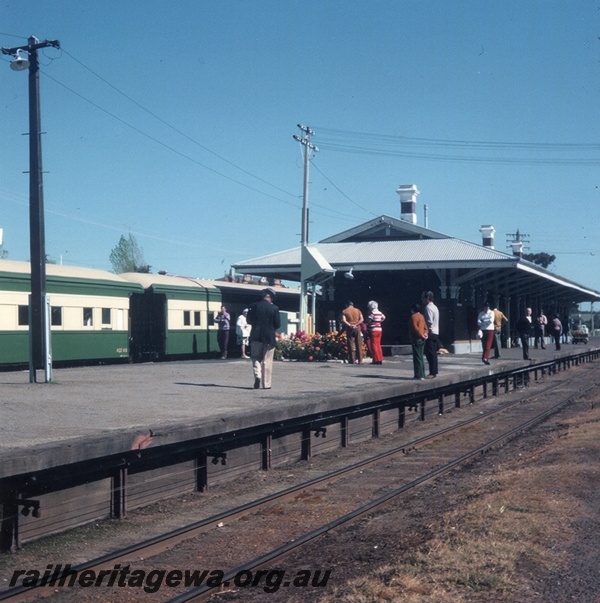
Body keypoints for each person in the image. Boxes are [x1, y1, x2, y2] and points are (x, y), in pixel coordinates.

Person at [247, 289, 280, 389]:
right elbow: (277, 324)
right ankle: (266, 384)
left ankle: (257, 376)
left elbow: (249, 321)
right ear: (270, 297)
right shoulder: (274, 308)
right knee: (267, 361)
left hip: (255, 336)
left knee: (255, 357)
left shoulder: (253, 306)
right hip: (269, 338)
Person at [421, 291, 440, 378]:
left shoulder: (428, 308)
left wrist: (425, 329)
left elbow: (429, 321)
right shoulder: (435, 307)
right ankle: (434, 371)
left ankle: (432, 372)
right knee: (433, 353)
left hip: (431, 332)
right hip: (436, 332)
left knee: (430, 353)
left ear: (427, 298)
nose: (422, 299)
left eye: (423, 297)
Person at [408, 304, 428, 379]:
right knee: (421, 357)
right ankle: (422, 374)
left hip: (416, 339)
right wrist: (425, 333)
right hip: (422, 339)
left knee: (417, 357)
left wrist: (420, 334)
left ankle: (418, 375)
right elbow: (425, 327)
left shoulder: (413, 317)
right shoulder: (422, 316)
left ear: (413, 309)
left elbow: (415, 328)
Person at [366, 300, 386, 365]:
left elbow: (369, 320)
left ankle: (376, 360)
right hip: (379, 329)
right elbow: (383, 317)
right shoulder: (379, 312)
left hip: (373, 329)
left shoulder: (372, 313)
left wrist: (370, 323)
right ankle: (380, 358)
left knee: (374, 345)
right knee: (378, 344)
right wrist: (379, 322)